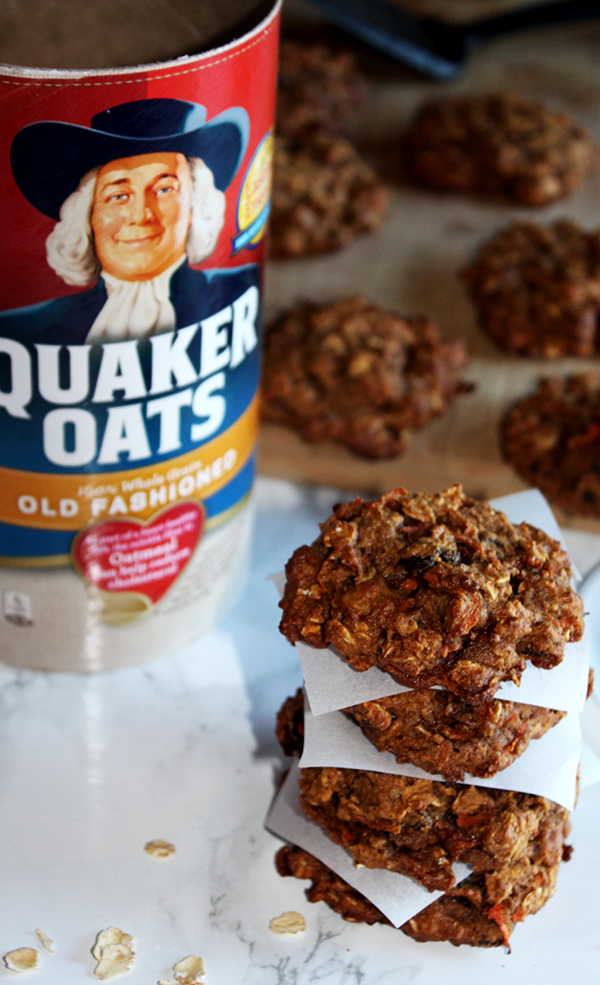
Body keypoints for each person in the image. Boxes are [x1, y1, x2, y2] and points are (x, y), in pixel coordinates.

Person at [0, 98, 258, 345]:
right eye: (118, 196)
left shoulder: (241, 289)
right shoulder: (24, 329)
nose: (140, 215)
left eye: (164, 190)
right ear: (88, 216)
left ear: (196, 204)